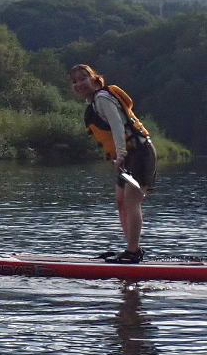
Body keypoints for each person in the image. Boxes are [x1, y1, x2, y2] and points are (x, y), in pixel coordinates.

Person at [68, 64, 158, 264]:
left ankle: (132, 252)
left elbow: (118, 125)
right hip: (130, 154)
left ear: (94, 79)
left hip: (140, 152)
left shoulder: (102, 98)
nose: (78, 84)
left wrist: (121, 154)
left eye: (83, 78)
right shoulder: (95, 103)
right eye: (74, 82)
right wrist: (115, 154)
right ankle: (131, 249)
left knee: (131, 201)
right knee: (121, 201)